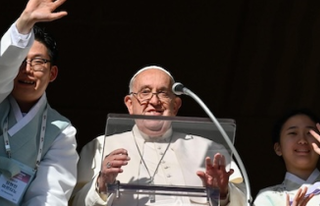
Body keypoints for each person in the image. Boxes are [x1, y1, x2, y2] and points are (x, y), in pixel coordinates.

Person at [70, 65, 246, 206]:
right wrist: (101, 184)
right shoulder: (100, 147)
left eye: (163, 93)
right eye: (145, 92)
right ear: (130, 104)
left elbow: (245, 201)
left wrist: (223, 192)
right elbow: (72, 203)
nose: (154, 101)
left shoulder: (209, 149)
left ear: (175, 105)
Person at [0, 0, 78, 205]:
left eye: (37, 61)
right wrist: (24, 24)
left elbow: (49, 194)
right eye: (21, 61)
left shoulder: (61, 130)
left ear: (52, 73)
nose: (27, 69)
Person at [253, 108, 320, 206]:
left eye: (309, 133)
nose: (302, 140)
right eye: (293, 133)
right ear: (278, 149)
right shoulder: (268, 197)